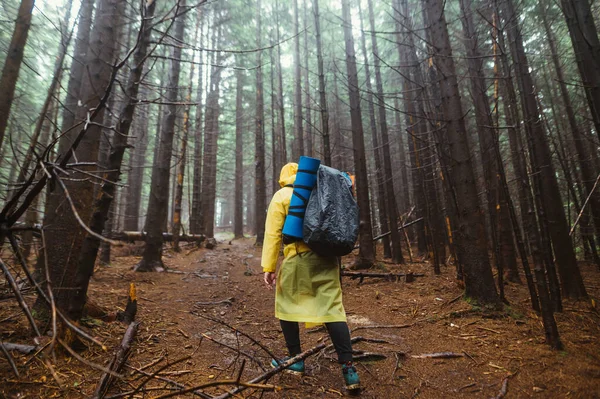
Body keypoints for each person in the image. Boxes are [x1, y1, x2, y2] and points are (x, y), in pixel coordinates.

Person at [261, 162, 360, 391]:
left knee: (286, 306)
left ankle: (295, 360)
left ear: (283, 177)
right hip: (328, 259)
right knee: (333, 310)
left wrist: (269, 266)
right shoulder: (323, 190)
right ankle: (349, 370)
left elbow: (273, 233)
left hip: (298, 258)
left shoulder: (283, 195)